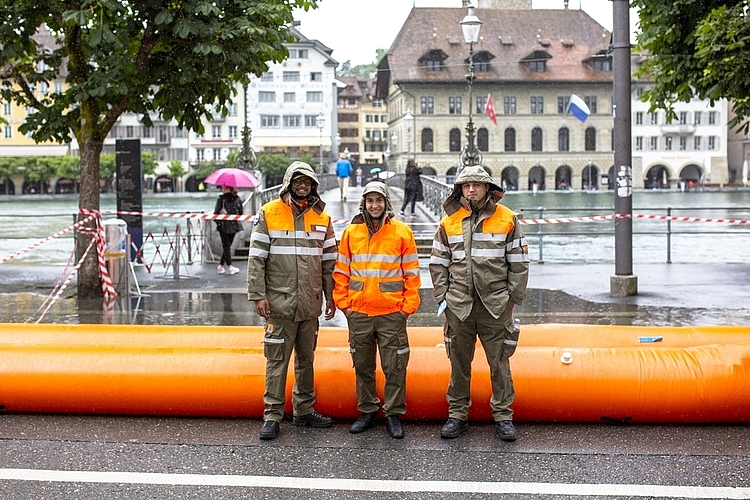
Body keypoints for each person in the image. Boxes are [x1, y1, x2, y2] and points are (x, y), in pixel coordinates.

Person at [429, 166, 529, 442]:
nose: (471, 189)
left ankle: (504, 416)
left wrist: (512, 301)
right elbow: (438, 264)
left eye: (477, 185)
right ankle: (458, 415)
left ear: (488, 188)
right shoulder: (448, 221)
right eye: (466, 185)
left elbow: (519, 264)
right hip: (458, 305)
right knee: (459, 364)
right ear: (459, 189)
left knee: (500, 364)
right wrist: (443, 300)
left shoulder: (506, 218)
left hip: (495, 305)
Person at [247, 161, 338, 440]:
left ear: (313, 186)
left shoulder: (323, 218)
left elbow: (329, 263)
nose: (303, 186)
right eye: (298, 181)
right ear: (288, 183)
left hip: (309, 303)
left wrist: (330, 295)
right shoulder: (269, 213)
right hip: (278, 303)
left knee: (306, 360)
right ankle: (272, 416)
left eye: (307, 182)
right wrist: (258, 295)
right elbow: (256, 258)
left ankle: (303, 411)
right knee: (276, 361)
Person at [333, 182, 421, 440]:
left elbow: (412, 273)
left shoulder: (402, 232)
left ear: (386, 203)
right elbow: (341, 271)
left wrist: (407, 308)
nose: (374, 205)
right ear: (364, 203)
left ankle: (393, 413)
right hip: (359, 312)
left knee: (395, 366)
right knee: (362, 366)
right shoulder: (351, 232)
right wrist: (345, 305)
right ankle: (368, 410)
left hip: (391, 312)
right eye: (370, 200)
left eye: (379, 200)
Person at [214, 185, 244, 275]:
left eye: (224, 188)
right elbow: (241, 212)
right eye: (222, 188)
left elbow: (215, 214)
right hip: (234, 225)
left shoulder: (221, 200)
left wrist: (219, 223)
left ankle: (222, 266)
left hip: (223, 226)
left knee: (226, 246)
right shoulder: (237, 199)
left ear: (229, 189)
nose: (222, 190)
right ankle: (229, 266)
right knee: (227, 246)